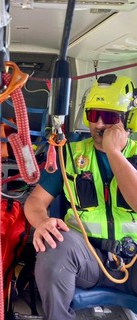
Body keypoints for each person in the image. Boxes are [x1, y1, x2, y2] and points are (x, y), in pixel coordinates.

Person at [24, 73, 137, 320]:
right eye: (92, 115)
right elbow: (35, 202)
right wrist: (42, 222)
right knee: (53, 245)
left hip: (134, 259)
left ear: (128, 119)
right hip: (87, 257)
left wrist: (114, 153)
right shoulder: (70, 154)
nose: (97, 124)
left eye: (107, 117)